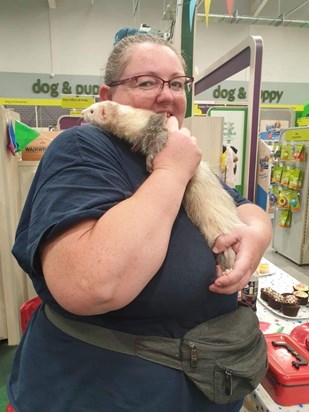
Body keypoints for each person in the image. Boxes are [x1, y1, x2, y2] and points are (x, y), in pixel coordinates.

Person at [8, 34, 272, 412]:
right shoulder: (84, 147)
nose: (167, 95)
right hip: (105, 393)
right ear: (107, 97)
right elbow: (90, 284)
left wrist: (256, 235)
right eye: (146, 82)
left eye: (177, 83)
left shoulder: (175, 148)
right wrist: (170, 171)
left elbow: (242, 205)